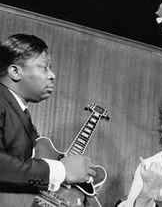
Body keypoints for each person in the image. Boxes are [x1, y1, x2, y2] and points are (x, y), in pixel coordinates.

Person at [0, 34, 97, 205]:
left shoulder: (21, 116)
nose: (52, 75)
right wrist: (62, 170)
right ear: (15, 71)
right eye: (44, 67)